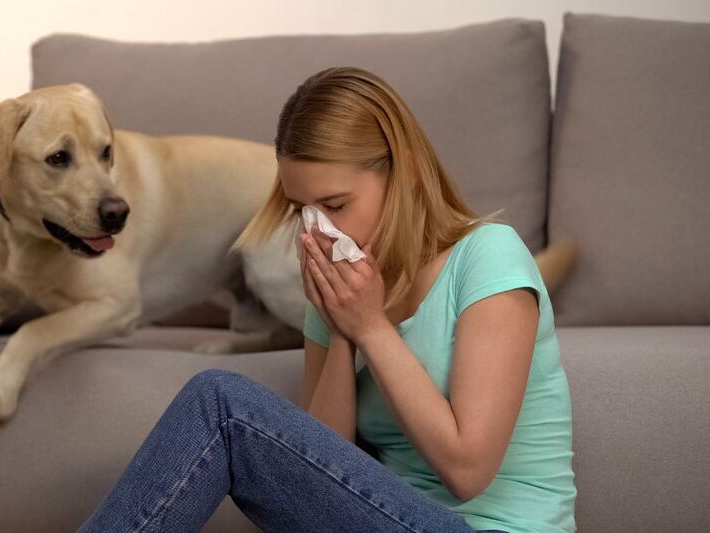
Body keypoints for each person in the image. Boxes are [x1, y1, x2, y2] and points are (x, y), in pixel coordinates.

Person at [77, 66, 576, 533]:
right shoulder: (340, 291)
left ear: (402, 175)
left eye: (335, 205)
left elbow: (468, 470)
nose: (321, 229)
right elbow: (318, 477)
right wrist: (341, 330)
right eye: (302, 210)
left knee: (220, 405)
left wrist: (373, 330)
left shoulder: (489, 256)